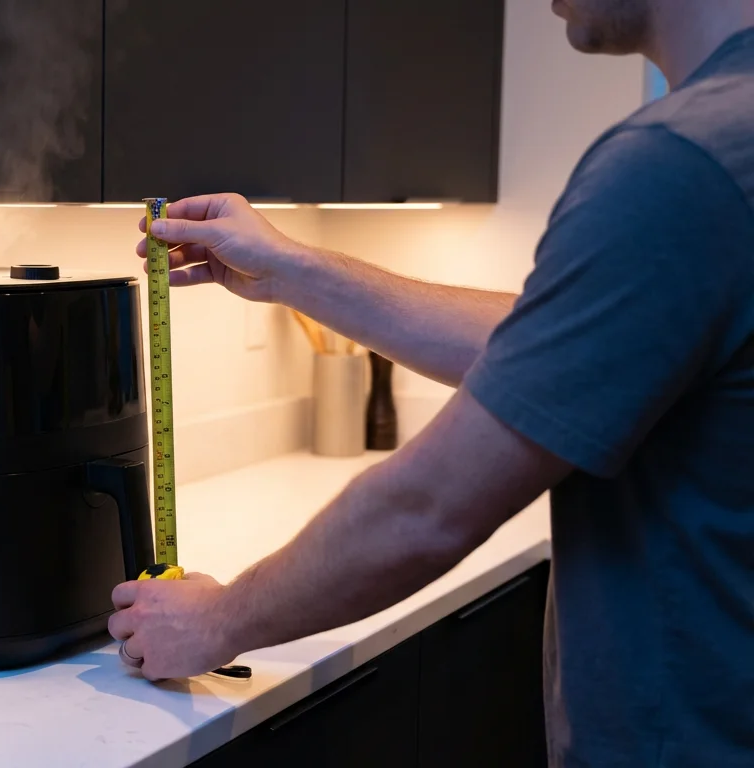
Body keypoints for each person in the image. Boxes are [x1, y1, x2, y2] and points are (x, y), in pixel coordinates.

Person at [107, 1, 754, 764]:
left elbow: (430, 505)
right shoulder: (727, 144)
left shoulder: (678, 164)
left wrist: (215, 621)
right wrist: (296, 270)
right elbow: (559, 347)